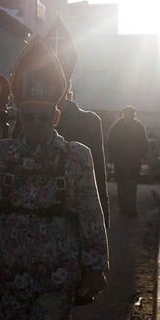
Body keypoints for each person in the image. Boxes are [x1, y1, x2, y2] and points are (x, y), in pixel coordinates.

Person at [0, 38, 109, 320]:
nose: (35, 125)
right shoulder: (2, 155)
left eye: (43, 117)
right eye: (28, 117)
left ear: (56, 115)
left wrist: (97, 263)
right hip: (8, 274)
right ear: (19, 114)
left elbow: (91, 210)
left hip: (56, 277)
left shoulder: (76, 157)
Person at [46, 19, 110, 227]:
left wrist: (102, 226)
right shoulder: (29, 118)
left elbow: (98, 180)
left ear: (68, 83)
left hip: (74, 224)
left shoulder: (89, 123)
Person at [107, 106, 149, 217]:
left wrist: (140, 155)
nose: (129, 117)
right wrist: (114, 156)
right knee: (124, 185)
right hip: (122, 161)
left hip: (132, 161)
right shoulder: (118, 127)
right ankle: (125, 208)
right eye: (127, 114)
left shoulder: (136, 127)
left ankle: (129, 209)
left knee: (129, 184)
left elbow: (144, 143)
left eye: (130, 115)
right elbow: (110, 142)